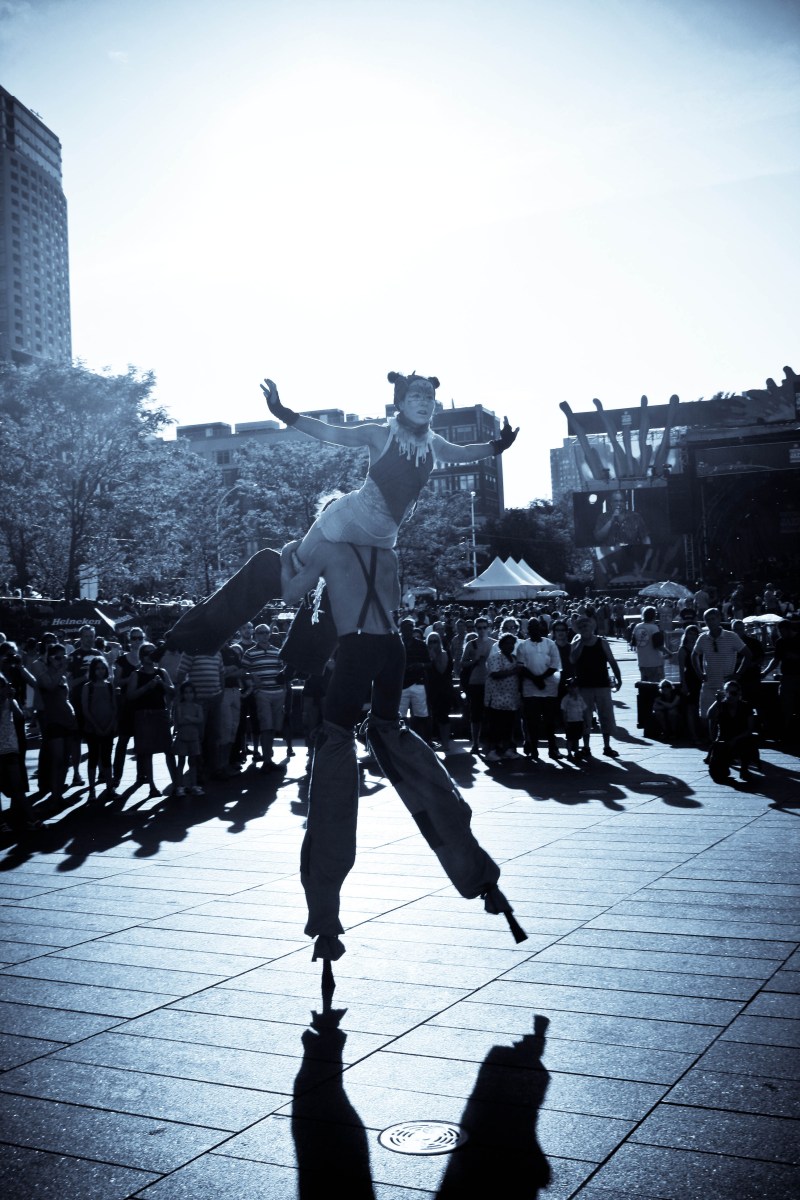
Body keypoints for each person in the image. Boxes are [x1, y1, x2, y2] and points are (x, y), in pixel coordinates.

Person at [282, 536, 526, 961]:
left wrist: (289, 555)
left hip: (357, 647)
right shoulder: (386, 552)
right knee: (397, 741)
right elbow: (394, 599)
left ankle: (325, 921)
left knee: (334, 765)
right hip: (391, 647)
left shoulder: (330, 548)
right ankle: (481, 879)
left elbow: (289, 594)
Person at [261, 373, 518, 592]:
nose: (424, 402)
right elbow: (331, 433)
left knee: (363, 594)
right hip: (350, 518)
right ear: (401, 403)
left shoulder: (434, 444)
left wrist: (499, 445)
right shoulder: (378, 434)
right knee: (299, 567)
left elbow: (465, 453)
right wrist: (283, 412)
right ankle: (286, 561)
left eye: (429, 397)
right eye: (416, 396)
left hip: (384, 537)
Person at [127, 642, 177, 799]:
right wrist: (148, 686)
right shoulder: (136, 674)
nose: (151, 655)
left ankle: (176, 783)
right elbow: (130, 695)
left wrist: (161, 684)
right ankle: (152, 786)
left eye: (153, 652)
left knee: (169, 750)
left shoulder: (161, 672)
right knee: (147, 752)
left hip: (160, 712)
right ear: (142, 656)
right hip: (144, 714)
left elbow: (173, 691)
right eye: (148, 652)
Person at [569, 615, 622, 758]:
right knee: (585, 717)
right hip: (584, 686)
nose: (584, 628)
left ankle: (607, 746)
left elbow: (612, 660)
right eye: (581, 627)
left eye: (586, 626)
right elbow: (572, 659)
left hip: (602, 684)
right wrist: (581, 643)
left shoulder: (601, 642)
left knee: (606, 715)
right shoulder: (576, 643)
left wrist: (618, 678)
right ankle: (586, 747)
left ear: (592, 627)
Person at [691, 608, 751, 728]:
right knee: (705, 716)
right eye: (707, 620)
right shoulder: (702, 638)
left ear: (719, 619)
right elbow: (694, 655)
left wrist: (738, 674)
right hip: (708, 684)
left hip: (726, 686)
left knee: (727, 717)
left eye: (713, 619)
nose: (710, 622)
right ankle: (710, 738)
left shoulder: (732, 636)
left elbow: (748, 654)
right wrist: (699, 673)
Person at [516, 618, 562, 760]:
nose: (533, 630)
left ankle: (552, 748)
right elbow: (521, 667)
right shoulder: (522, 646)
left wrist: (541, 678)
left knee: (550, 721)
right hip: (530, 689)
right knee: (532, 721)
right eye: (531, 627)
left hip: (549, 688)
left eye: (536, 627)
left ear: (540, 628)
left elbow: (555, 665)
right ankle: (534, 748)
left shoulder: (550, 644)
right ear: (528, 630)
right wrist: (536, 680)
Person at [80, 657, 117, 802]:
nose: (100, 671)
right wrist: (96, 726)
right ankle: (92, 789)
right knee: (93, 757)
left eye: (103, 668)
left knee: (107, 757)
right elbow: (85, 709)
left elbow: (114, 707)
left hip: (107, 726)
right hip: (92, 728)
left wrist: (110, 725)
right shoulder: (87, 687)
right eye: (97, 668)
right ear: (93, 670)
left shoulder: (109, 686)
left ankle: (109, 787)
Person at [707, 680, 757, 783]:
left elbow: (749, 729)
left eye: (733, 693)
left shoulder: (746, 706)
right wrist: (717, 701)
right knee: (717, 775)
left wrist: (735, 739)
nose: (730, 696)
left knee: (749, 742)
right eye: (727, 692)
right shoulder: (721, 705)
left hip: (741, 738)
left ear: (739, 694)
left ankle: (744, 769)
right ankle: (724, 766)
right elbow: (709, 715)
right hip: (724, 739)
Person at [483, 632, 522, 762]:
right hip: (496, 698)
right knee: (495, 726)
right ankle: (491, 751)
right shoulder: (495, 657)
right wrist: (514, 671)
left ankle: (506, 750)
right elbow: (495, 674)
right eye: (507, 643)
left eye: (512, 644)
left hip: (511, 699)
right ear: (501, 645)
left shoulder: (514, 658)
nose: (510, 646)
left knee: (508, 726)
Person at [460, 617, 496, 753]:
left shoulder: (495, 643)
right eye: (479, 628)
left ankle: (489, 742)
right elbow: (463, 663)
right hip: (475, 682)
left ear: (488, 628)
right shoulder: (471, 644)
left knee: (491, 714)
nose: (482, 630)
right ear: (475, 629)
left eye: (484, 627)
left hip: (491, 681)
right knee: (475, 714)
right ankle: (475, 743)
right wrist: (474, 661)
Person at [172, 681, 205, 797]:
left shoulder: (197, 707)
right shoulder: (179, 706)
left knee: (193, 763)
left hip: (193, 737)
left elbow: (200, 719)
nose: (188, 695)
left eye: (190, 692)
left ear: (194, 694)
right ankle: (179, 786)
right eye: (186, 692)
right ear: (182, 694)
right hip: (182, 737)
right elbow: (179, 721)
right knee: (181, 762)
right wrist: (193, 719)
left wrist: (188, 718)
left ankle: (194, 785)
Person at [630, 606, 666, 683]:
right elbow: (659, 646)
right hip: (654, 662)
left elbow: (633, 643)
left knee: (644, 685)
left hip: (642, 662)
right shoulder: (654, 628)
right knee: (655, 685)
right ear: (654, 616)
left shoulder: (637, 627)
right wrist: (669, 653)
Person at [560, 677, 587, 763]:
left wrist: (584, 721)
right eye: (570, 687)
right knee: (570, 738)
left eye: (575, 687)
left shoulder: (580, 698)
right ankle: (569, 753)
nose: (573, 689)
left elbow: (583, 709)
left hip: (579, 721)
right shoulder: (566, 699)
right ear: (567, 688)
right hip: (570, 721)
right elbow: (563, 710)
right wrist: (565, 721)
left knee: (577, 738)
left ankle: (576, 751)